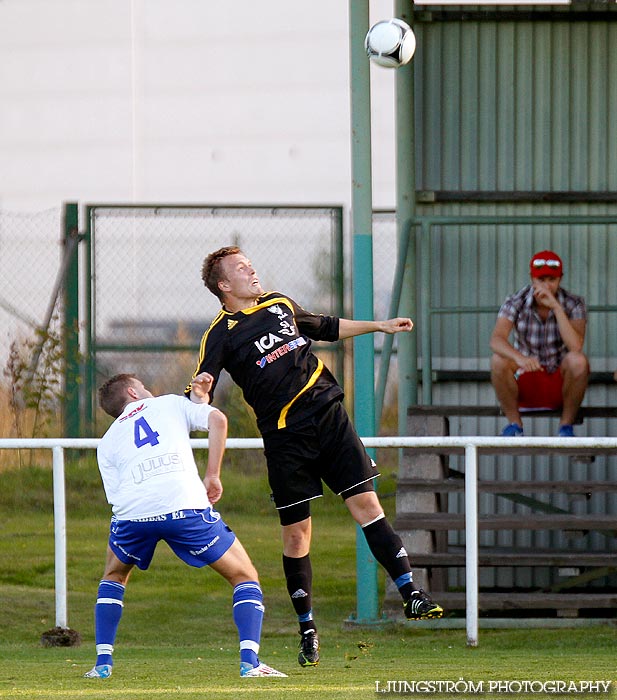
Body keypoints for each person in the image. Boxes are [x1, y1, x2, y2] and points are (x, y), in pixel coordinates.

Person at [185, 245, 443, 669]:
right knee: (297, 536)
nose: (252, 270)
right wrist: (198, 391)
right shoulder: (221, 333)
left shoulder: (280, 304)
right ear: (223, 285)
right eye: (241, 268)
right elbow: (201, 386)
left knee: (368, 505)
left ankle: (411, 593)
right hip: (285, 438)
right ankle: (308, 629)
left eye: (251, 262)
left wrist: (379, 326)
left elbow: (325, 326)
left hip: (329, 417)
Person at [84, 372, 286, 679]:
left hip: (133, 516)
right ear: (133, 392)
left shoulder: (108, 440)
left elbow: (116, 495)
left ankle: (102, 665)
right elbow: (217, 420)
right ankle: (250, 663)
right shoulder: (168, 404)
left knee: (113, 576)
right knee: (245, 576)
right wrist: (213, 474)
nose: (150, 390)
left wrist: (199, 397)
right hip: (184, 507)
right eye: (144, 386)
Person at [490, 250, 589, 437]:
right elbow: (496, 339)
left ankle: (566, 427)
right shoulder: (515, 301)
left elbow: (576, 346)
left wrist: (557, 308)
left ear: (560, 279)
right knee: (498, 360)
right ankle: (515, 424)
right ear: (532, 278)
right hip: (527, 380)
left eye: (552, 279)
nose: (546, 285)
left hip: (560, 383)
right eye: (541, 279)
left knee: (579, 360)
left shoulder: (574, 303)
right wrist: (519, 358)